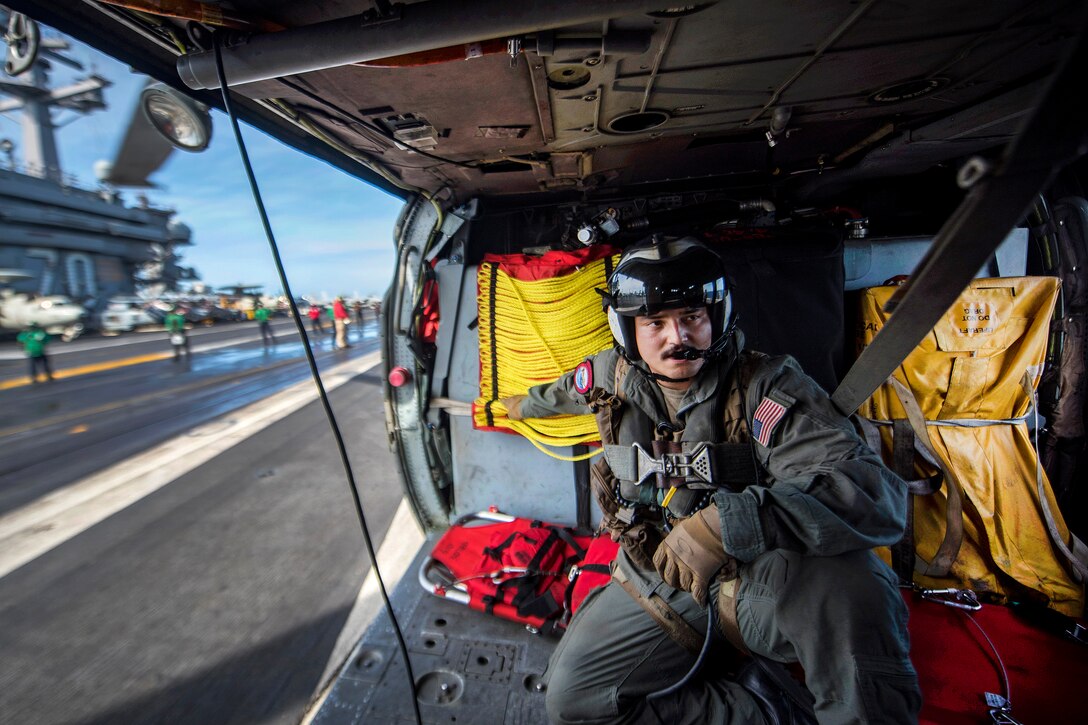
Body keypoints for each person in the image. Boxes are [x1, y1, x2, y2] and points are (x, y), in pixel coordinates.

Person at [502, 236, 919, 725]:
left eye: (692, 317)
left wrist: (730, 523)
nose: (676, 336)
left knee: (856, 588)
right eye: (654, 322)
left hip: (761, 577)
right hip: (656, 573)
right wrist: (511, 406)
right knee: (575, 703)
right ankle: (764, 711)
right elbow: (557, 394)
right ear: (627, 330)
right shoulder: (609, 376)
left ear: (716, 317)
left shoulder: (767, 386)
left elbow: (871, 492)